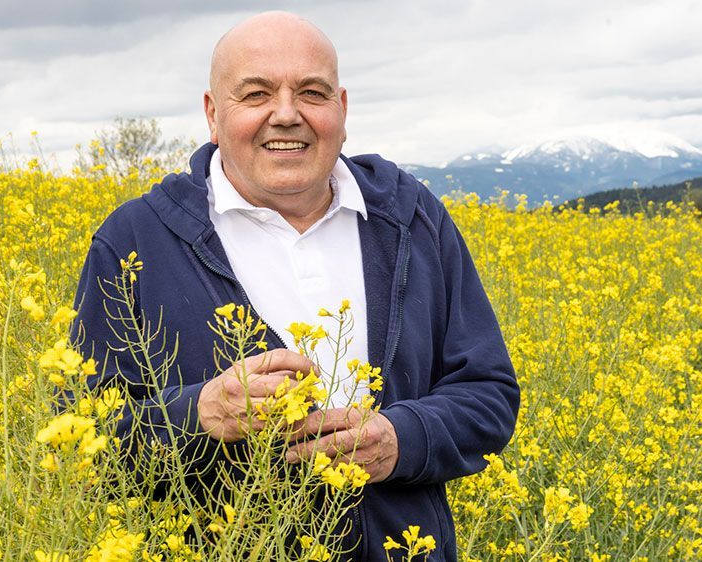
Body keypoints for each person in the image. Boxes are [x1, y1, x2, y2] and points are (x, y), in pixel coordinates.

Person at [72, 11, 519, 561]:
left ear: (343, 109)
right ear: (213, 114)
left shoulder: (410, 217)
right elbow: (83, 444)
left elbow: (490, 396)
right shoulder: (136, 241)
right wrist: (200, 414)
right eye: (256, 94)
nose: (286, 115)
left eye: (312, 92)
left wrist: (401, 440)